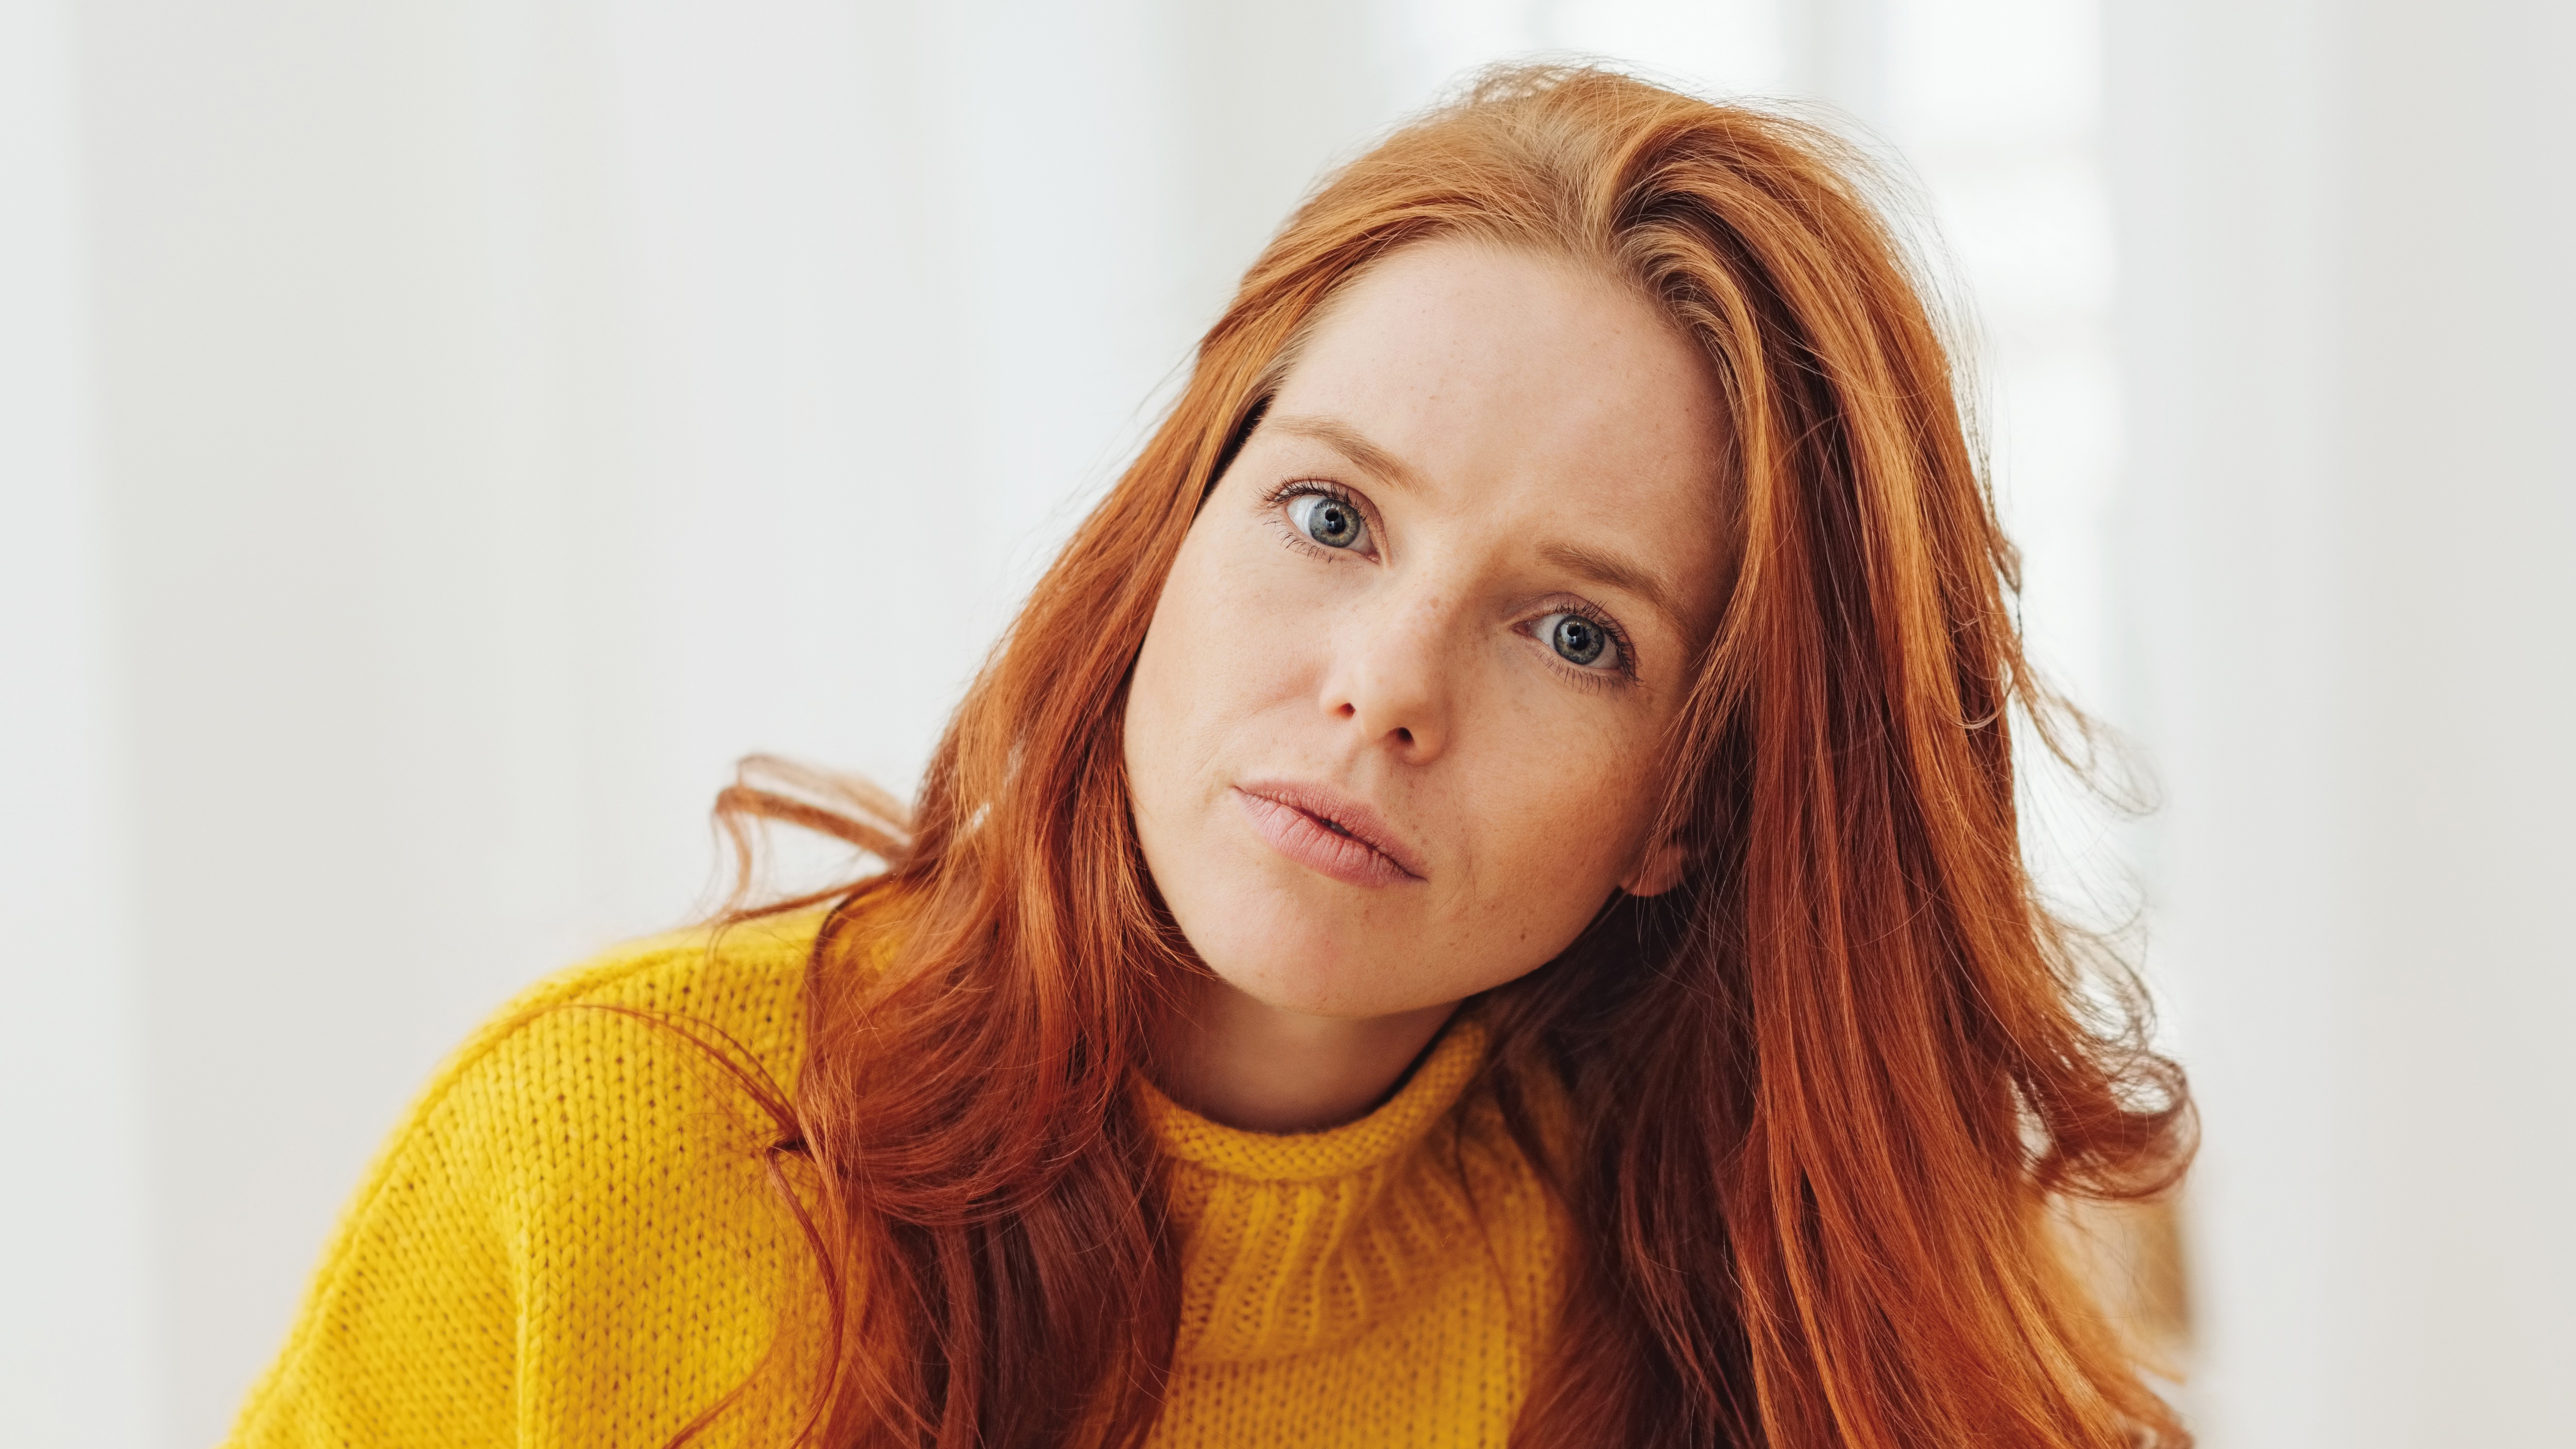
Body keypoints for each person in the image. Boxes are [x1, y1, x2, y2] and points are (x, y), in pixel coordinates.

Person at [227, 64, 2193, 1449]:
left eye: (1575, 632)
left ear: (1688, 800)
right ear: (1175, 528)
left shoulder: (1747, 1327)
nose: (1387, 684)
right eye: (1332, 517)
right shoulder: (613, 1159)